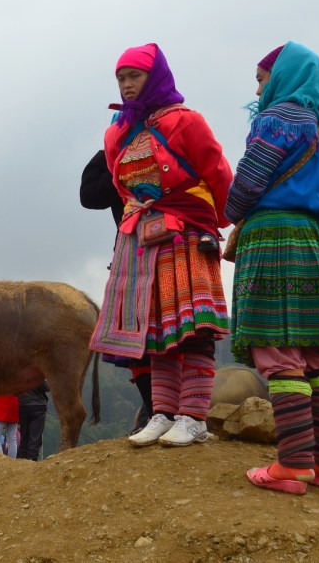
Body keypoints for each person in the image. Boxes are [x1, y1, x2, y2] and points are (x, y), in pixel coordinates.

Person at [227, 42, 319, 495]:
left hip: (275, 240)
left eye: (261, 79)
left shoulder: (277, 118)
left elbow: (248, 183)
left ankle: (294, 465)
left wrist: (230, 210)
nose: (258, 90)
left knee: (279, 353)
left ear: (283, 77)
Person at [89, 43, 233, 448]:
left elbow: (218, 173)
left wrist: (215, 221)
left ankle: (194, 415)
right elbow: (119, 184)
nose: (126, 84)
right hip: (142, 239)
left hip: (186, 233)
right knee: (156, 330)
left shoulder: (187, 122)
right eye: (121, 78)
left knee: (193, 326)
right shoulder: (117, 132)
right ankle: (164, 412)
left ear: (155, 77)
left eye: (134, 76)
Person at [80, 153, 153, 433]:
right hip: (132, 252)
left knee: (175, 333)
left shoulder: (173, 145)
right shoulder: (111, 156)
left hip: (176, 245)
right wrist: (123, 172)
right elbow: (89, 196)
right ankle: (152, 409)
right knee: (136, 337)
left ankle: (172, 410)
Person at [17, 381, 49, 461]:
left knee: (24, 436)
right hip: (38, 405)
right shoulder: (37, 373)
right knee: (35, 437)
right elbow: (45, 387)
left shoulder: (19, 373)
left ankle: (20, 459)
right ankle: (31, 460)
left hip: (22, 405)